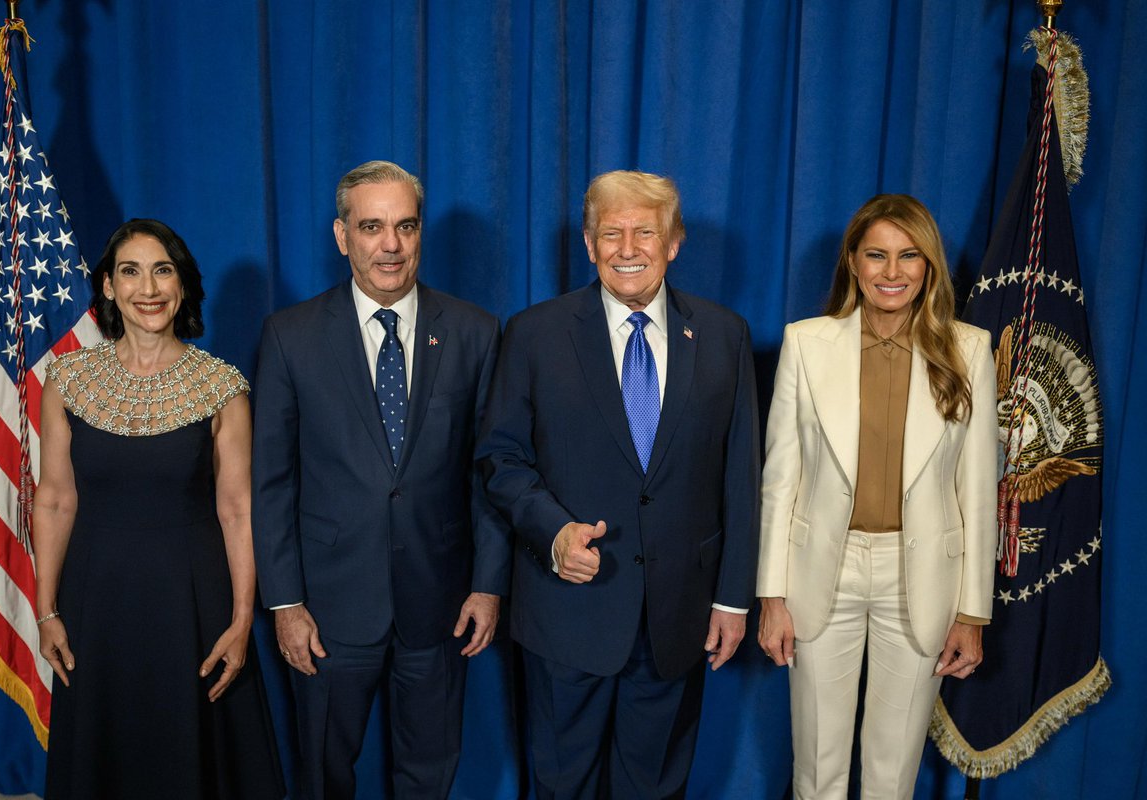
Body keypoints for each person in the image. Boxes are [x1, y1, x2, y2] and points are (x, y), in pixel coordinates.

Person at [478, 169, 760, 799]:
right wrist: (553, 534)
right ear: (587, 243)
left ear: (675, 242)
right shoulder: (534, 334)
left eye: (645, 232)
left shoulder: (723, 336)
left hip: (676, 618)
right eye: (612, 233)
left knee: (655, 788)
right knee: (560, 786)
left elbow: (741, 478)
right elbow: (500, 458)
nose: (628, 248)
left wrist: (734, 599)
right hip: (566, 613)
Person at [251, 160, 507, 799]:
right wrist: (285, 603)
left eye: (405, 226)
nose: (390, 245)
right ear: (343, 236)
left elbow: (492, 473)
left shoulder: (475, 332)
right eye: (371, 227)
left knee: (430, 772)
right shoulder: (291, 336)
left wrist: (488, 586)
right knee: (323, 774)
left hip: (440, 604)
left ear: (421, 234)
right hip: (329, 610)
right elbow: (272, 481)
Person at [755, 194, 999, 799]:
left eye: (908, 256)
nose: (893, 272)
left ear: (929, 266)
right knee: (817, 767)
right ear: (854, 263)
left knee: (893, 775)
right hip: (821, 573)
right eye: (877, 256)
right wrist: (771, 594)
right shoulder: (806, 343)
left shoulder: (969, 350)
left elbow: (977, 490)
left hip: (919, 578)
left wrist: (973, 612)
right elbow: (780, 479)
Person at [34, 219, 283, 800]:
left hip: (194, 604)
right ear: (108, 287)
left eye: (162, 270)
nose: (148, 288)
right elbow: (54, 498)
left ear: (183, 285)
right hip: (96, 604)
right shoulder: (66, 379)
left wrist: (243, 618)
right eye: (131, 271)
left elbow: (238, 509)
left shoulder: (222, 386)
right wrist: (46, 610)